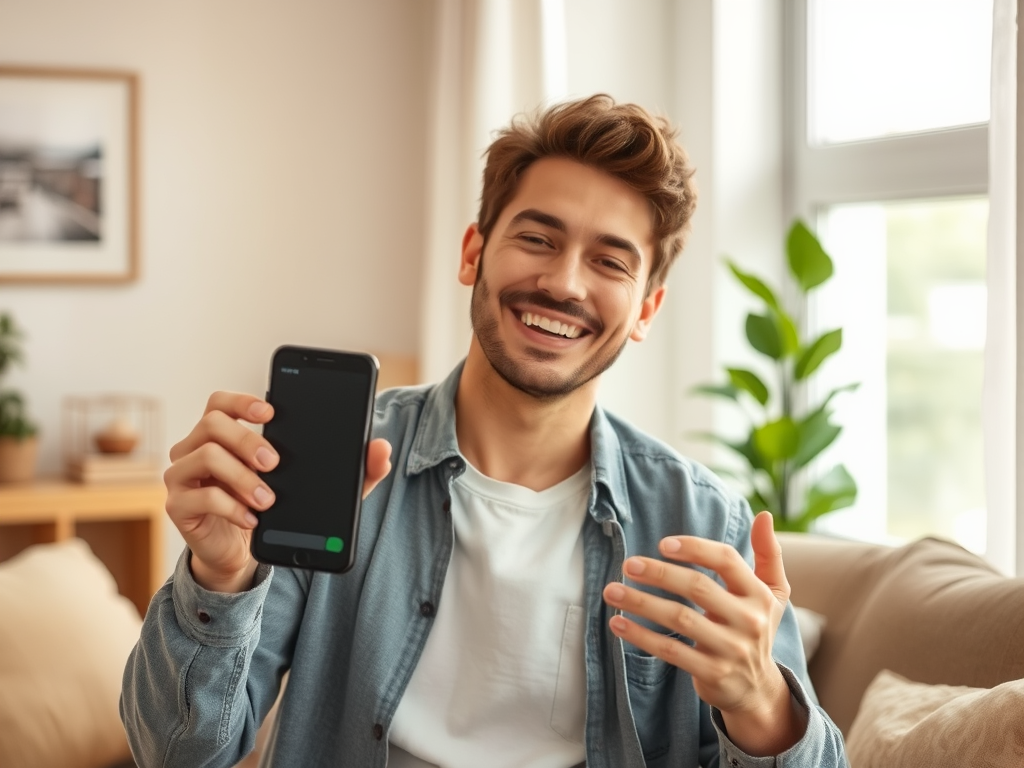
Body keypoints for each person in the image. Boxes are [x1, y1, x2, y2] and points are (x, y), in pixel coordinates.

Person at [121, 94, 847, 768]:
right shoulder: (335, 461)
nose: (564, 283)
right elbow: (179, 753)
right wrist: (218, 579)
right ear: (474, 252)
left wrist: (761, 702)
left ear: (646, 310)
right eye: (538, 238)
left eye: (608, 262)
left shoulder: (698, 521)